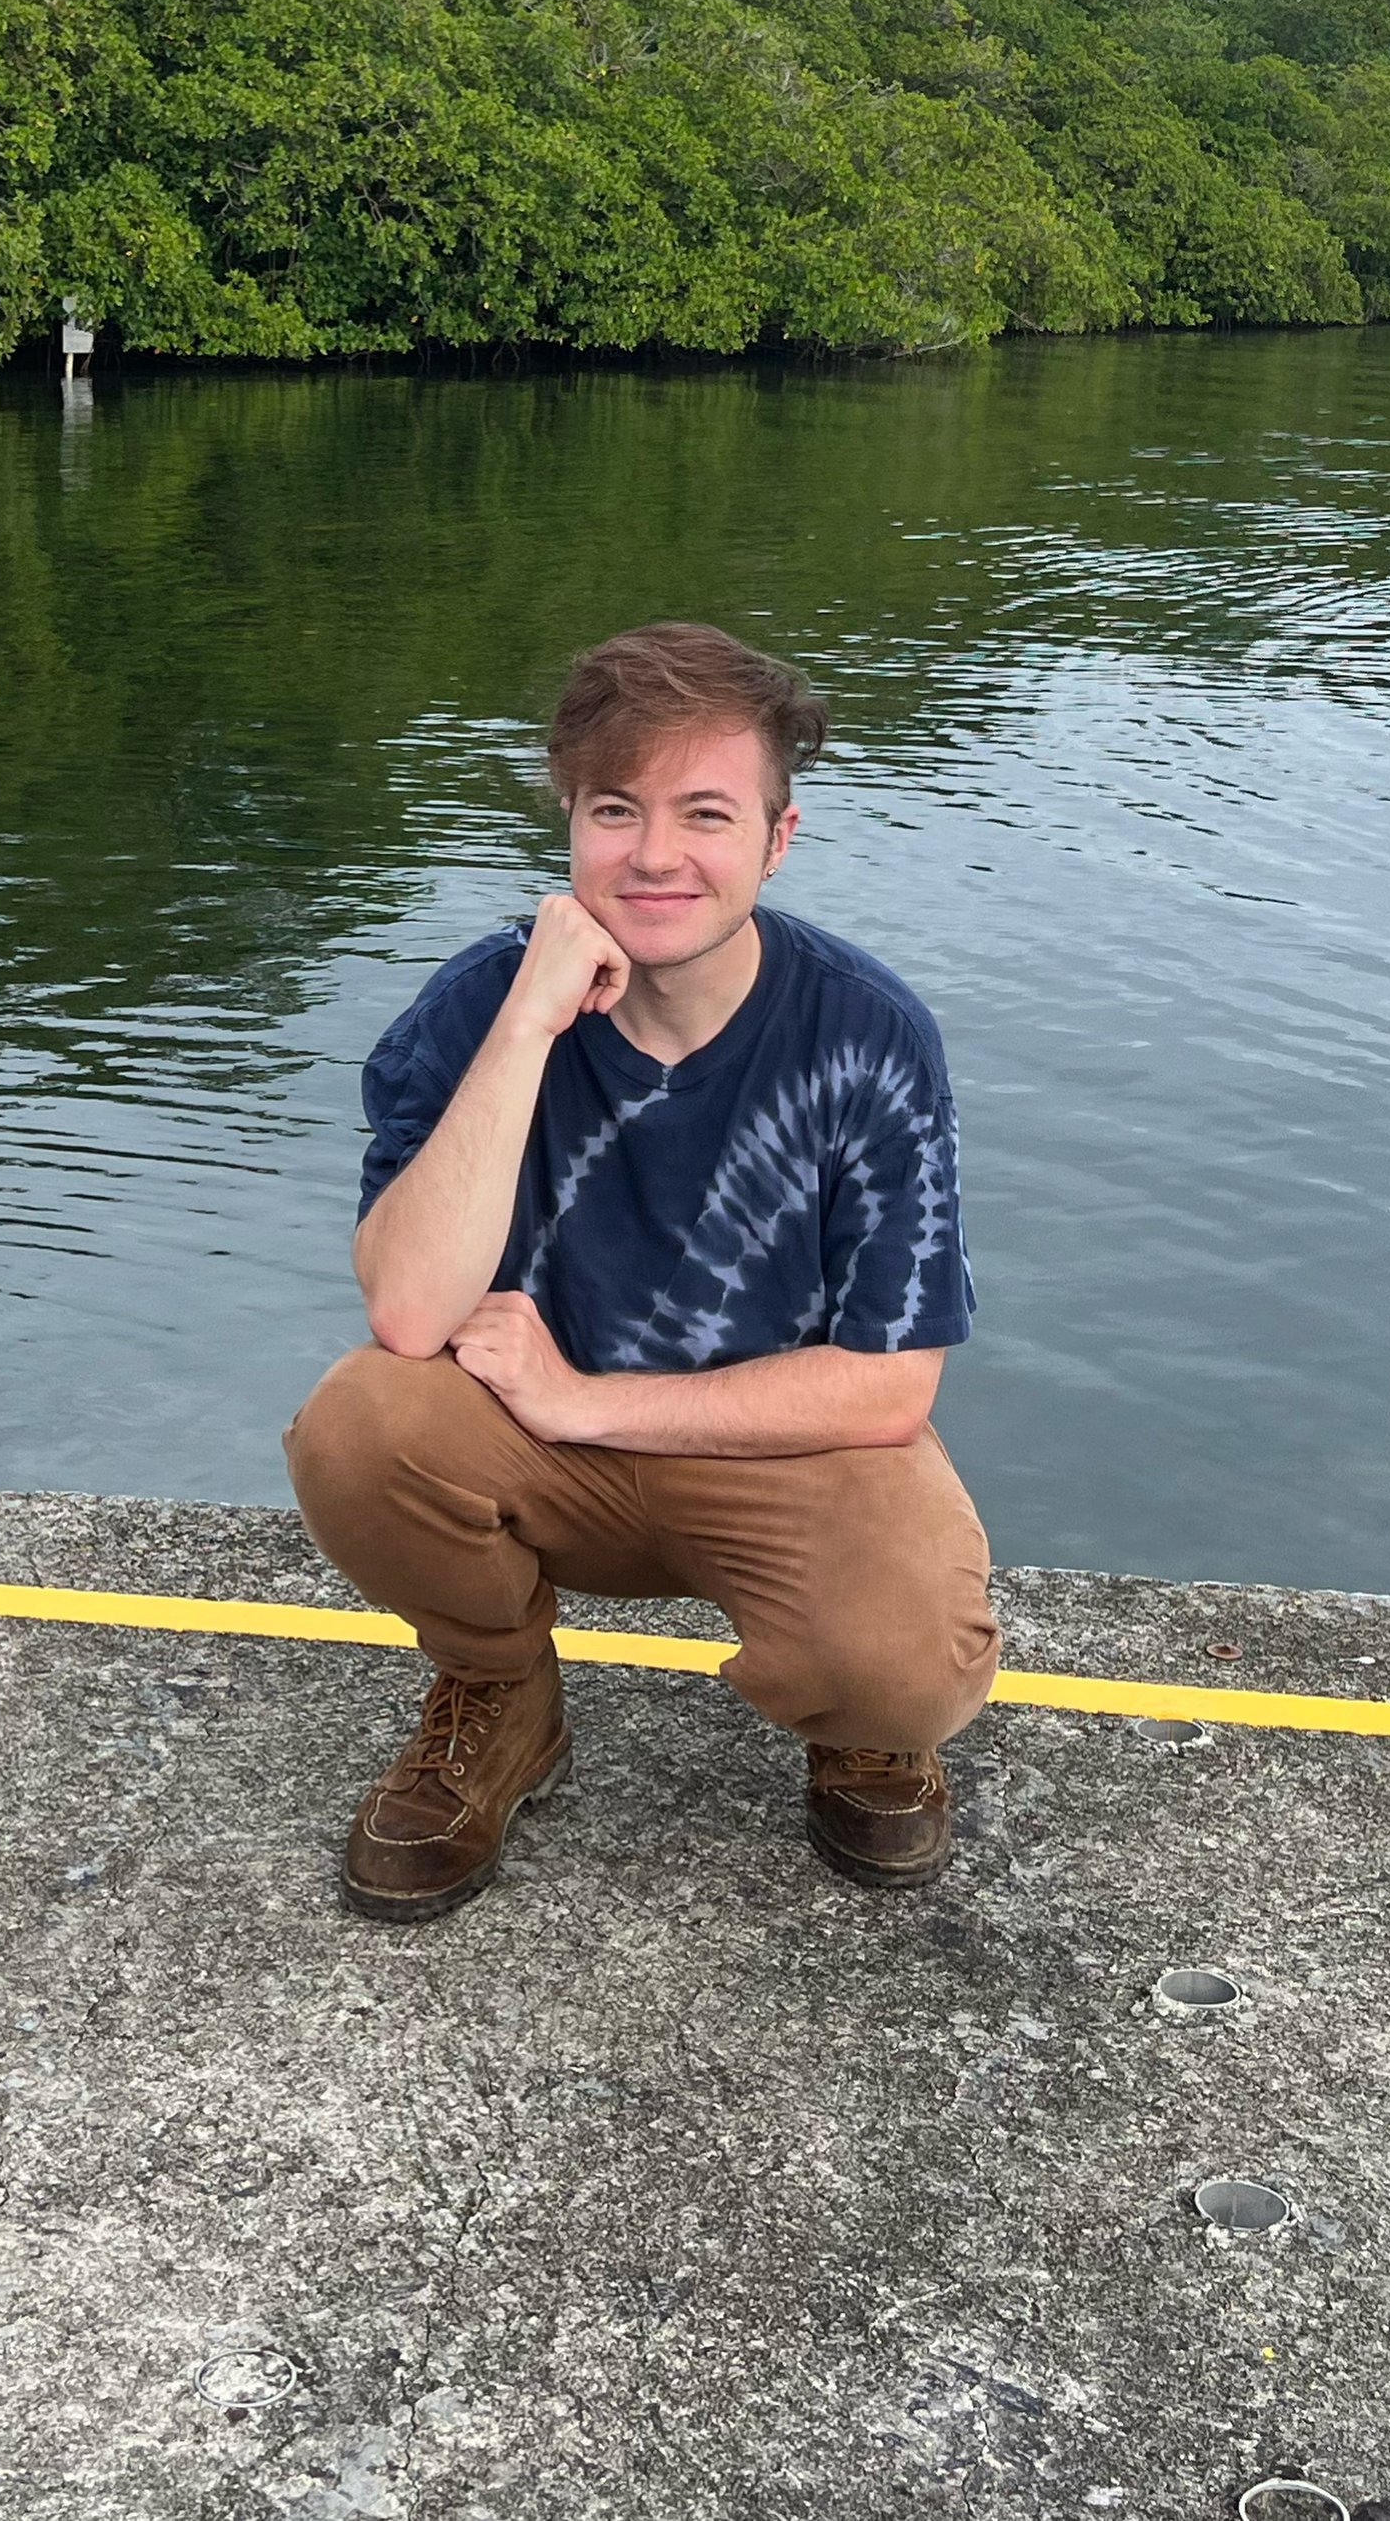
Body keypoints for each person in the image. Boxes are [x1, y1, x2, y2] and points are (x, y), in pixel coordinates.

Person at [285, 621, 997, 1922]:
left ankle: (861, 1731)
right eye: (616, 809)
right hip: (529, 1448)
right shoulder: (477, 1004)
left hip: (771, 1446)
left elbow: (891, 1385)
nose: (656, 855)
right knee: (356, 1426)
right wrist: (526, 1022)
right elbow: (407, 1309)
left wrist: (585, 1401)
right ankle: (501, 1692)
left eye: (706, 813)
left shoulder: (868, 1034)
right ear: (568, 821)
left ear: (777, 840)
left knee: (910, 1660)